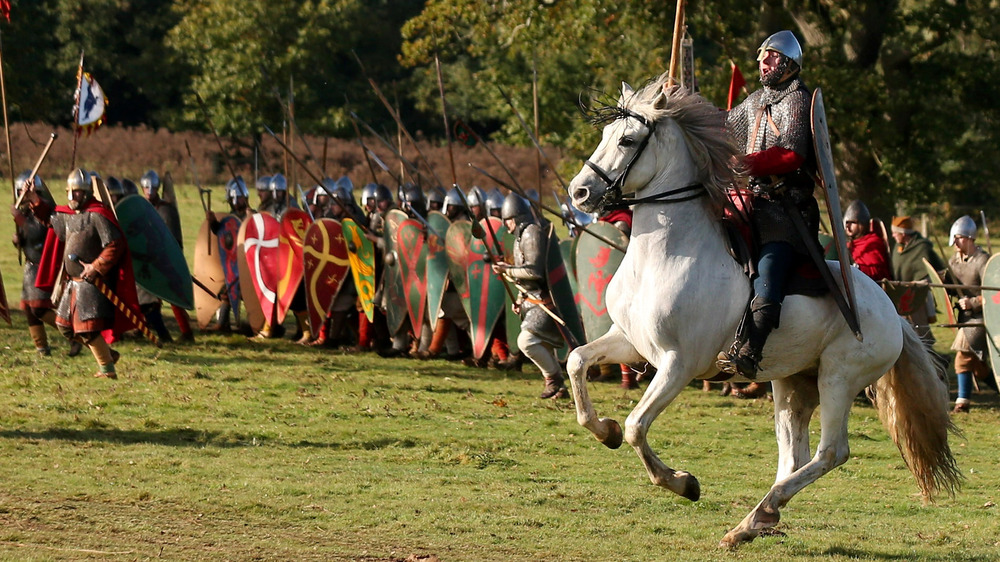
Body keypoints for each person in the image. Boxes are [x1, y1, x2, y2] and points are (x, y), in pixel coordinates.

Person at [716, 30, 820, 382]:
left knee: (769, 273)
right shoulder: (757, 100)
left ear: (788, 62)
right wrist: (685, 106)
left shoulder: (797, 99)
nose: (762, 61)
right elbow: (725, 123)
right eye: (761, 55)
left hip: (785, 211)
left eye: (770, 56)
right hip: (748, 205)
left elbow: (791, 154)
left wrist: (744, 164)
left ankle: (751, 350)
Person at [30, 168, 140, 379]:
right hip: (72, 284)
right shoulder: (70, 216)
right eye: (70, 192)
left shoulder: (98, 215)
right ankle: (107, 354)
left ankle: (107, 369)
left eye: (78, 192)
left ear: (87, 193)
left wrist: (96, 266)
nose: (72, 197)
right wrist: (34, 198)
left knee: (87, 329)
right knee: (64, 327)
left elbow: (115, 243)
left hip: (90, 283)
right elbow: (50, 219)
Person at [492, 192, 567, 399]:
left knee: (526, 341)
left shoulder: (531, 233)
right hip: (530, 299)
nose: (506, 225)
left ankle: (554, 379)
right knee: (540, 344)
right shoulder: (519, 237)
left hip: (544, 299)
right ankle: (559, 390)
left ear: (515, 217)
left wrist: (506, 269)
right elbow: (523, 276)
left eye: (507, 220)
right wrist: (518, 299)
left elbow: (533, 272)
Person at [10, 171, 63, 356]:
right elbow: (27, 238)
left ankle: (73, 333)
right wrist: (18, 241)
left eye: (25, 192)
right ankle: (42, 347)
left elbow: (37, 233)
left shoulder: (45, 209)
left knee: (39, 308)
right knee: (29, 310)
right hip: (30, 265)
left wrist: (20, 220)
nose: (22, 196)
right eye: (19, 192)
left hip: (43, 265)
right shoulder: (25, 210)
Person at [140, 170, 196, 343]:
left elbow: (171, 240)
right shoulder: (143, 207)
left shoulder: (165, 210)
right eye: (146, 187)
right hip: (150, 259)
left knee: (173, 296)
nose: (149, 190)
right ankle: (146, 329)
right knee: (151, 297)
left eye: (152, 187)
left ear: (157, 188)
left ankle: (186, 333)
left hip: (166, 260)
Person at [946, 216, 991, 413]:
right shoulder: (953, 261)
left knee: (962, 356)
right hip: (965, 318)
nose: (956, 243)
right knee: (979, 367)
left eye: (959, 238)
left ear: (970, 238)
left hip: (982, 317)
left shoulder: (983, 261)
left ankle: (962, 402)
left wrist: (973, 302)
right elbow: (951, 288)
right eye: (954, 238)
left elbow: (995, 294)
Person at [890, 215, 946, 342]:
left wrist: (917, 284)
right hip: (900, 295)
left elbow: (930, 272)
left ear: (903, 233)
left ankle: (931, 356)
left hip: (918, 296)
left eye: (895, 233)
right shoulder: (898, 248)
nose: (893, 235)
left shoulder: (922, 247)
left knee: (920, 331)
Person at [844, 200, 891, 281]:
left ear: (862, 224)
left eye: (852, 223)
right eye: (847, 223)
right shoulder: (848, 245)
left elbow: (877, 272)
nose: (848, 226)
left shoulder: (873, 243)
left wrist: (857, 268)